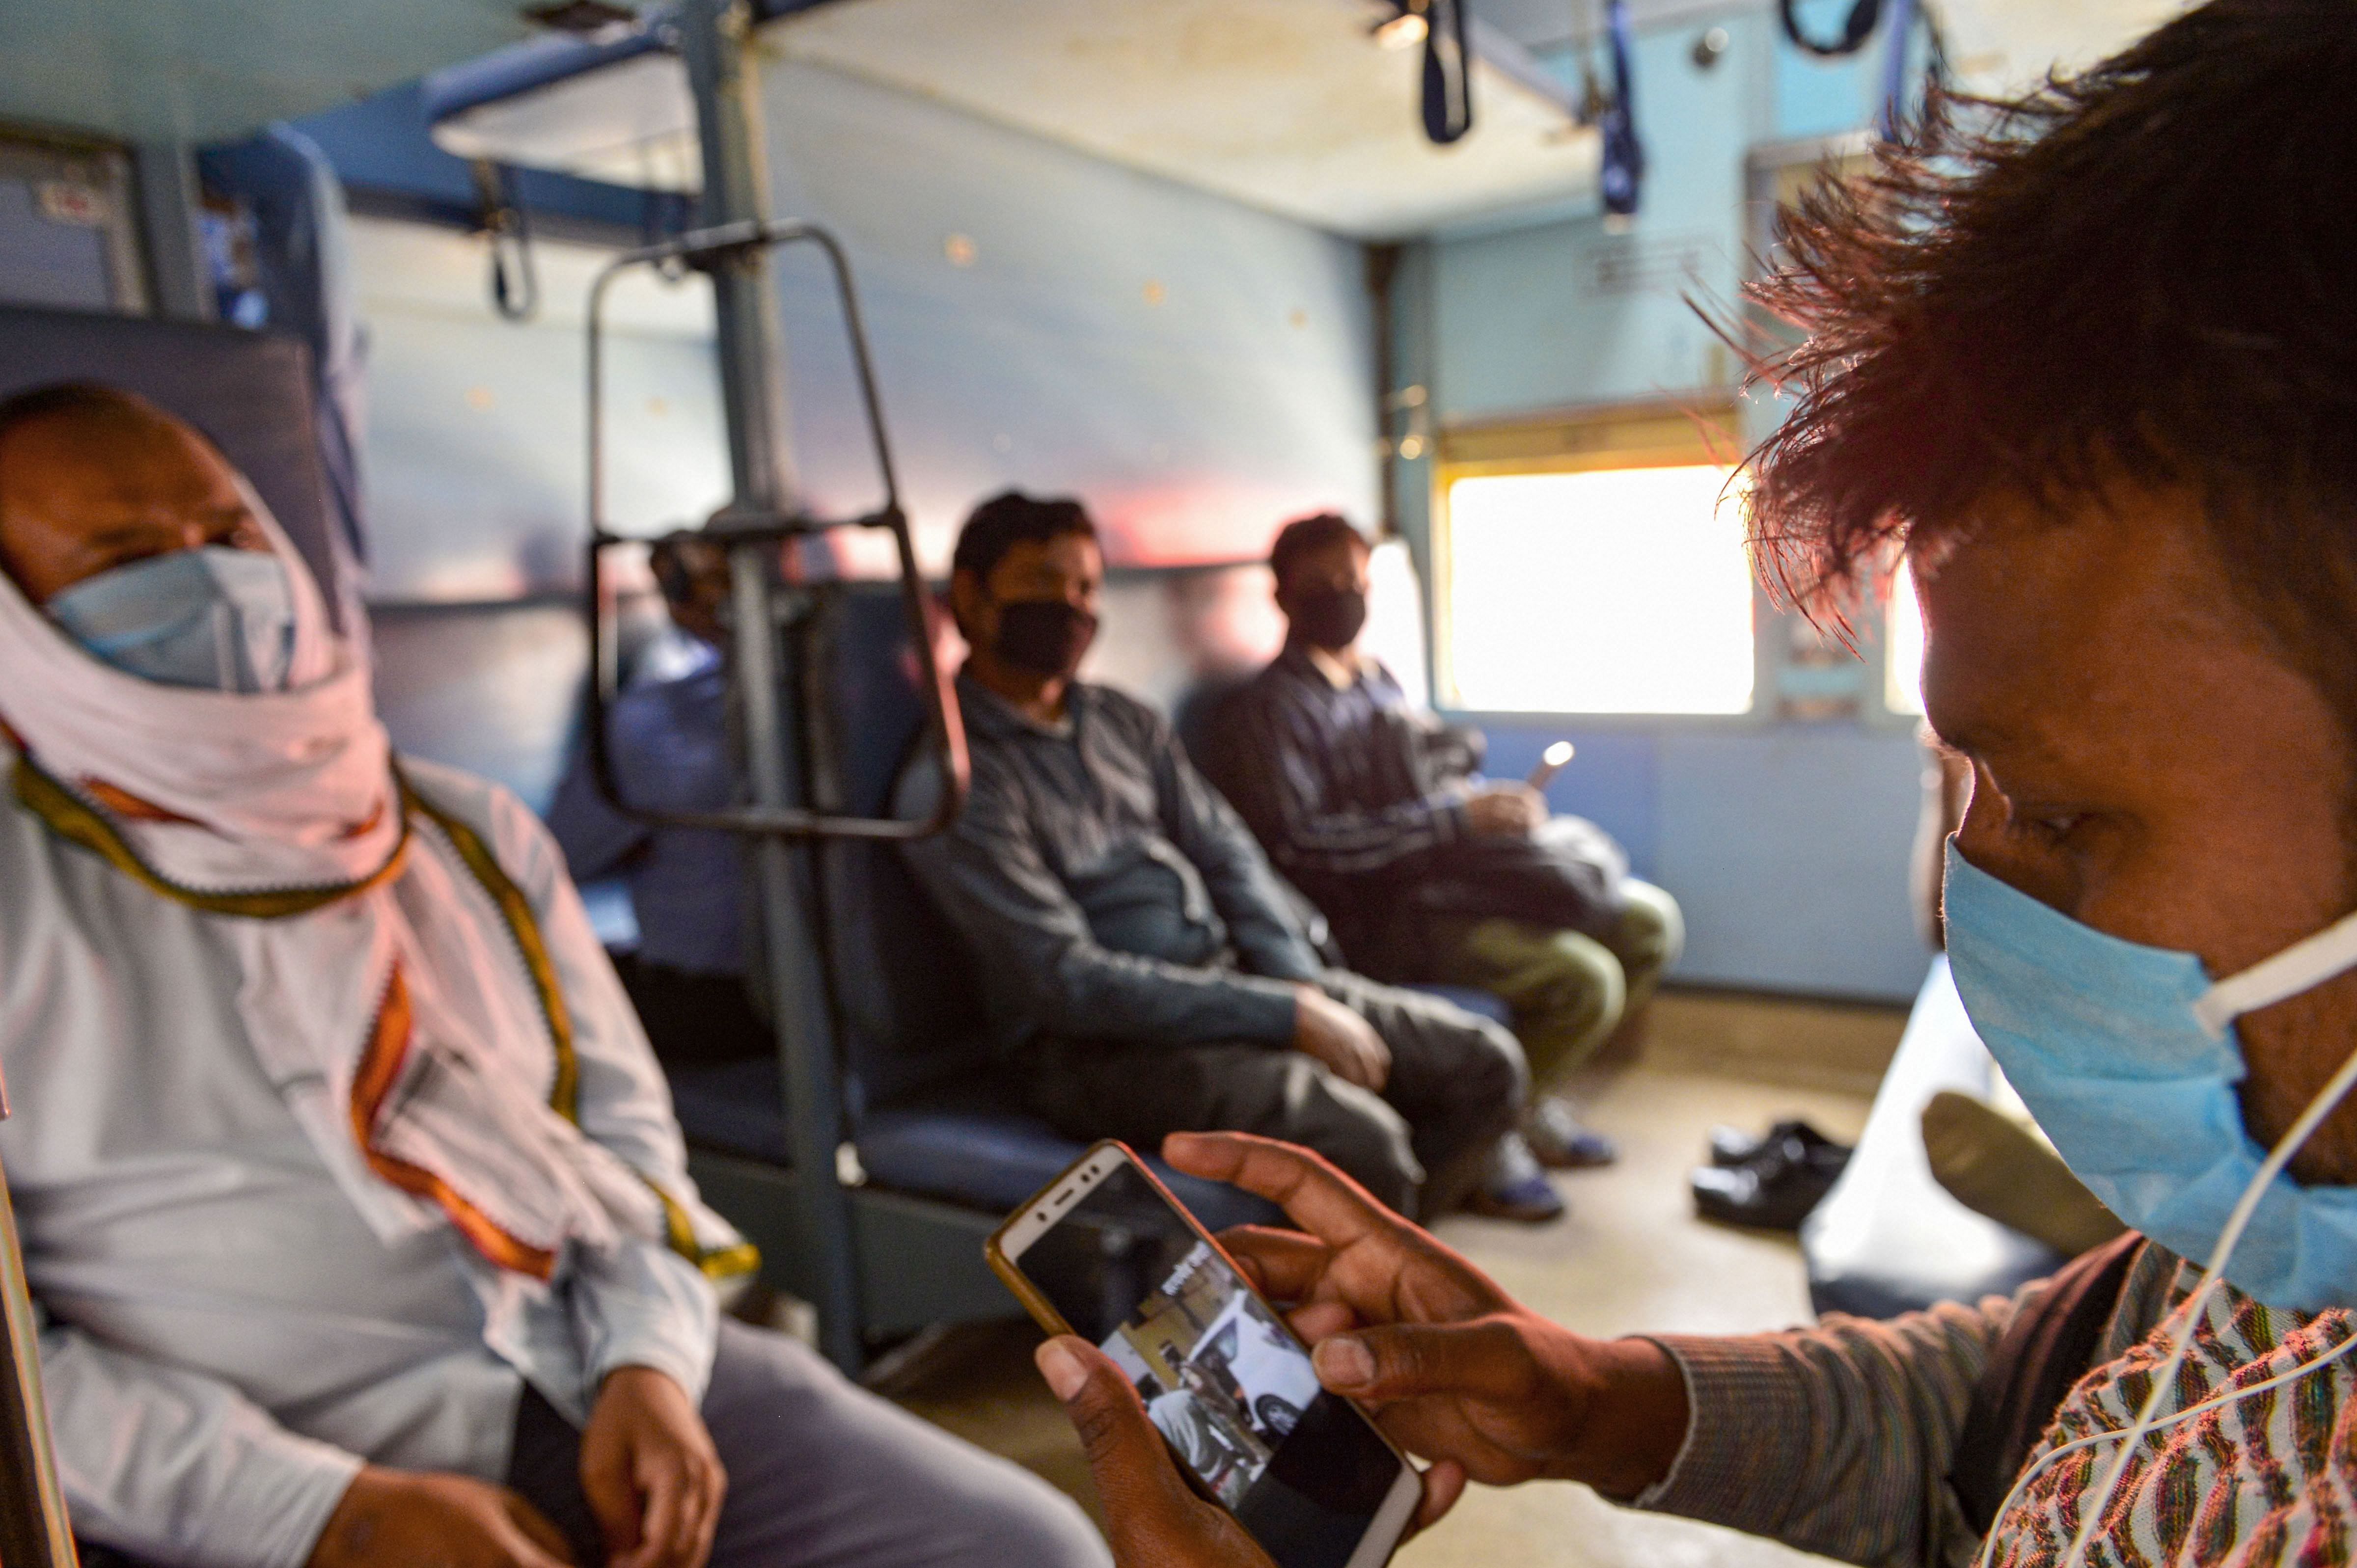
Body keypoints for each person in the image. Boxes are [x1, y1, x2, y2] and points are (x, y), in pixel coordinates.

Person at [1025, 4, 2357, 1563]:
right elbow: (1998, 1403)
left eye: (2063, 814)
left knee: (1600, 902)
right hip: (1377, 908)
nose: (1974, 883)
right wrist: (1594, 1394)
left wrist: (1471, 805)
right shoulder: (2264, 1255)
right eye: (1966, 782)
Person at [0, 385, 1107, 1568]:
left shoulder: (453, 827)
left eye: (228, 538)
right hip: (261, 1453)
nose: (213, 582)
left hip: (583, 1353)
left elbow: (616, 1124)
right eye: (126, 557)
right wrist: (322, 1513)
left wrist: (649, 1359)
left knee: (1031, 1547)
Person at [895, 492, 1552, 1221]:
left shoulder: (1122, 722)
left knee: (1485, 1063)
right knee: (1363, 1143)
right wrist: (1280, 1014)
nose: (1073, 608)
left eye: (1085, 587)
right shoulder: (956, 784)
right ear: (972, 600)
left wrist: (1299, 985)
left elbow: (1228, 852)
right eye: (1045, 585)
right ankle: (1358, 1294)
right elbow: (1063, 980)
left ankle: (1371, 1261)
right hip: (1097, 1049)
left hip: (1230, 978)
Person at [1211, 513, 1683, 1170]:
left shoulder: (1376, 679)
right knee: (1585, 979)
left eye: (1353, 579)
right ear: (1283, 596)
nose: (1342, 595)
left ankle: (1525, 1101)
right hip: (1390, 913)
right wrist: (1451, 822)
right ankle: (1492, 1136)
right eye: (1321, 583)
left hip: (1454, 876)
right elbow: (1304, 847)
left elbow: (1428, 776)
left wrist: (1480, 804)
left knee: (1648, 922)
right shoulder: (1271, 712)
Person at [548, 533, 771, 1071]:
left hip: (718, 1004)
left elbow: (560, 856)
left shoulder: (658, 719)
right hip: (828, 1000)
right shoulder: (884, 689)